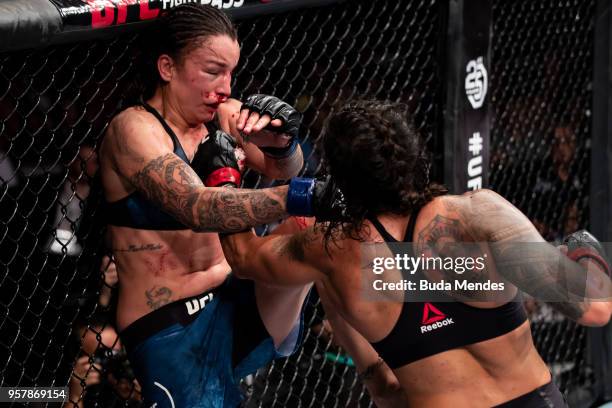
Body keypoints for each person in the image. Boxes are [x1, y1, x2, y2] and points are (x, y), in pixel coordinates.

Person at [218, 100, 612, 407]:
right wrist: (585, 251)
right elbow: (596, 307)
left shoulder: (330, 251)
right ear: (411, 155)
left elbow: (245, 256)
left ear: (339, 178)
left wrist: (225, 168)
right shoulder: (477, 214)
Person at [98, 4, 328, 407]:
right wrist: (302, 193)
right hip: (170, 323)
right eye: (212, 71)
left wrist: (283, 144)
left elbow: (290, 168)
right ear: (167, 68)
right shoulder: (134, 129)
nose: (225, 87)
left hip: (237, 293)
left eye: (230, 73)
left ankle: (385, 362)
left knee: (319, 230)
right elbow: (198, 209)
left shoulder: (223, 112)